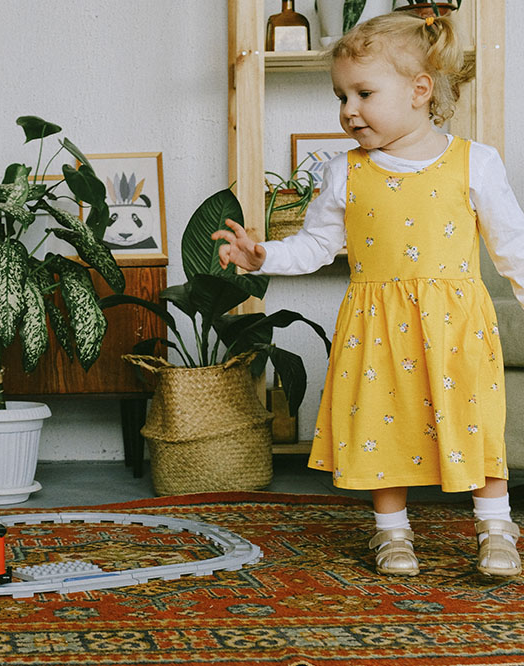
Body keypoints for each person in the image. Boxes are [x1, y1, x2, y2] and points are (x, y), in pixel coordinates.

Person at [211, 13, 524, 577]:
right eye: (341, 96)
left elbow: (513, 248)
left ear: (420, 90)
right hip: (376, 325)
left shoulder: (475, 161)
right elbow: (315, 246)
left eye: (363, 93)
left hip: (456, 326)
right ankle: (392, 530)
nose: (348, 110)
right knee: (384, 421)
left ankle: (496, 526)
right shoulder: (345, 172)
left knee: (473, 418)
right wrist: (264, 256)